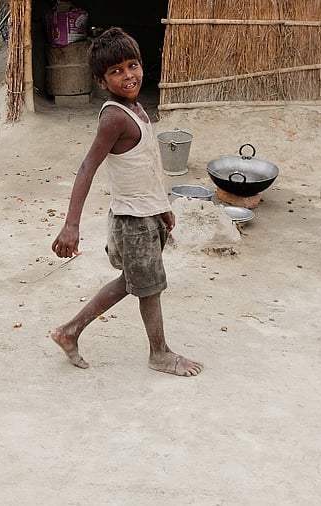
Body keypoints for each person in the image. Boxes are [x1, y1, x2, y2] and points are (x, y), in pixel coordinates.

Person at [49, 27, 203, 377]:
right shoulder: (115, 117)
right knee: (149, 287)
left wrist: (163, 206)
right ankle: (159, 353)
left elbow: (146, 165)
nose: (128, 75)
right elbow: (87, 167)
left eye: (132, 65)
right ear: (101, 81)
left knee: (135, 280)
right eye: (116, 71)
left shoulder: (135, 108)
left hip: (147, 214)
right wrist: (71, 224)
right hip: (133, 221)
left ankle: (69, 332)